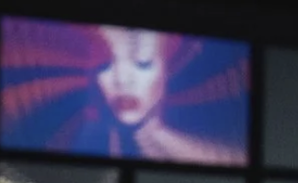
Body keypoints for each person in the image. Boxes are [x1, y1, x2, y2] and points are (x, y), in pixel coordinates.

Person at [95, 26, 242, 164]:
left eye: (143, 63)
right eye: (104, 64)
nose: (121, 79)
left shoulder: (219, 154)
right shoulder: (92, 140)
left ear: (167, 68)